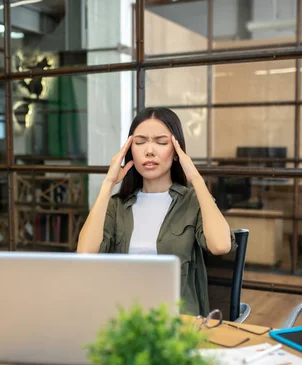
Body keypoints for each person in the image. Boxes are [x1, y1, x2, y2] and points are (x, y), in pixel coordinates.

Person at [77, 107, 235, 315]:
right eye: (140, 142)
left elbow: (221, 245)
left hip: (177, 324)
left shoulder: (191, 202)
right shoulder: (117, 206)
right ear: (129, 150)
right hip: (124, 320)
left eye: (161, 142)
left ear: (177, 152)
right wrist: (108, 183)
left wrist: (196, 178)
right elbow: (85, 255)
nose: (149, 151)